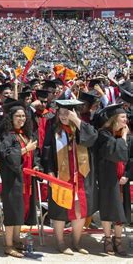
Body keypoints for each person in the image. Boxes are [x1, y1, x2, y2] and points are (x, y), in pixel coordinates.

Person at [42, 99, 98, 255]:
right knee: (60, 209)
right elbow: (46, 153)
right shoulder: (54, 130)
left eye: (67, 113)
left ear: (74, 114)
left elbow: (93, 138)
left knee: (80, 210)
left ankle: (76, 241)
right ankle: (60, 242)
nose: (64, 116)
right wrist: (50, 172)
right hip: (61, 176)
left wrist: (77, 121)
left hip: (81, 176)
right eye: (61, 114)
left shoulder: (81, 128)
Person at [0, 99, 40, 258]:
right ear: (11, 118)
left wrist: (36, 165)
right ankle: (8, 245)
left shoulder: (25, 134)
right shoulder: (7, 135)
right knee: (12, 210)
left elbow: (35, 155)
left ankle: (17, 239)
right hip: (12, 179)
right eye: (18, 116)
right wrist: (26, 149)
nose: (21, 119)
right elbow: (10, 157)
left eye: (23, 116)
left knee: (20, 209)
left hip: (26, 179)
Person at [95, 103, 131, 257]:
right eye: (123, 117)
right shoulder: (104, 135)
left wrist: (128, 174)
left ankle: (118, 239)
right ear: (115, 118)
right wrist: (122, 138)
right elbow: (115, 154)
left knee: (121, 209)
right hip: (107, 177)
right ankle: (108, 239)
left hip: (122, 179)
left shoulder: (129, 136)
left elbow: (131, 159)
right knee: (108, 207)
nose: (126, 120)